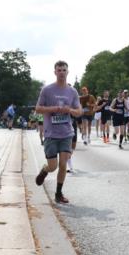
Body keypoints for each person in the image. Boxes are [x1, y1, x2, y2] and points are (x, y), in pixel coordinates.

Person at [33, 61, 82, 204]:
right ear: (55, 72)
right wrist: (53, 109)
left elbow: (79, 111)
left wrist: (69, 110)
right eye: (59, 70)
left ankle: (58, 193)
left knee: (63, 165)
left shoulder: (72, 92)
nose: (61, 72)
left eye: (64, 70)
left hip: (66, 133)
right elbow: (38, 109)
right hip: (51, 134)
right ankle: (45, 170)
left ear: (68, 72)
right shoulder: (47, 90)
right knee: (53, 166)